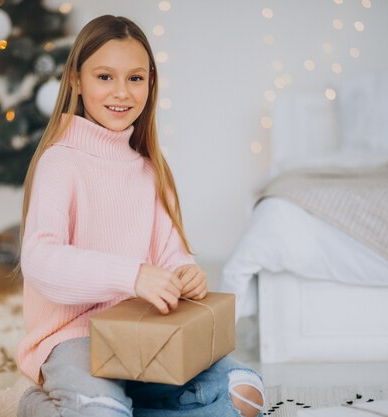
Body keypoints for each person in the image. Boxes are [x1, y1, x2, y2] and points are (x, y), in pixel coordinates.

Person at [16, 15, 265, 417]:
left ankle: (117, 405)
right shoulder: (60, 162)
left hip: (143, 331)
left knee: (246, 393)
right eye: (104, 77)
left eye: (135, 78)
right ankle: (35, 404)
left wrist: (186, 275)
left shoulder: (151, 169)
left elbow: (170, 256)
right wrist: (131, 275)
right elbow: (41, 259)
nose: (121, 92)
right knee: (102, 411)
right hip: (74, 336)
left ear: (150, 83)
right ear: (77, 81)